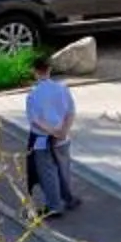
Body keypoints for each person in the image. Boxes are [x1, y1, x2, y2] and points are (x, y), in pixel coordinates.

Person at [23, 52, 79, 218]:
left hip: (42, 138)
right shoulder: (63, 88)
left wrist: (51, 132)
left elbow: (35, 120)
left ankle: (54, 205)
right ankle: (67, 198)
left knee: (47, 171)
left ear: (35, 71)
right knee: (63, 167)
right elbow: (71, 112)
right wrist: (62, 131)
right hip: (63, 136)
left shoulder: (33, 94)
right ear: (50, 69)